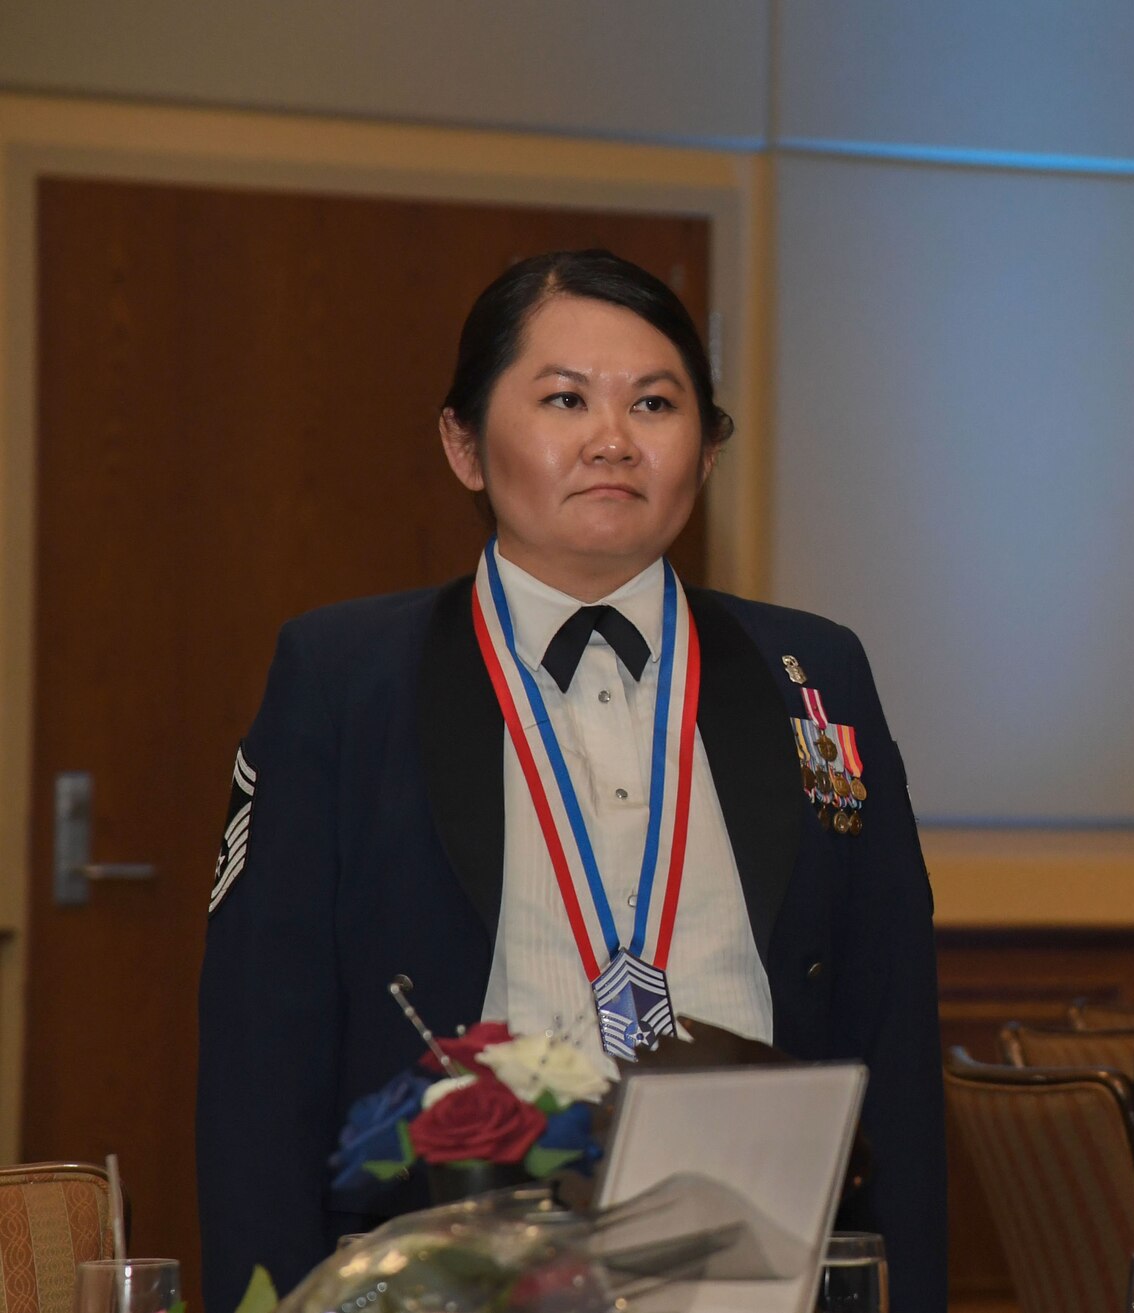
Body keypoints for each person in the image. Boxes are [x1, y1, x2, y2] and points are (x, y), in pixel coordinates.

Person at [196, 249, 946, 1311]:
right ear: (463, 444)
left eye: (654, 401)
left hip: (761, 1270)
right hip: (457, 1274)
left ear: (708, 447)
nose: (612, 438)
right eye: (563, 398)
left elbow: (891, 1033)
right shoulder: (344, 676)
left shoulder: (812, 673)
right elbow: (259, 1059)